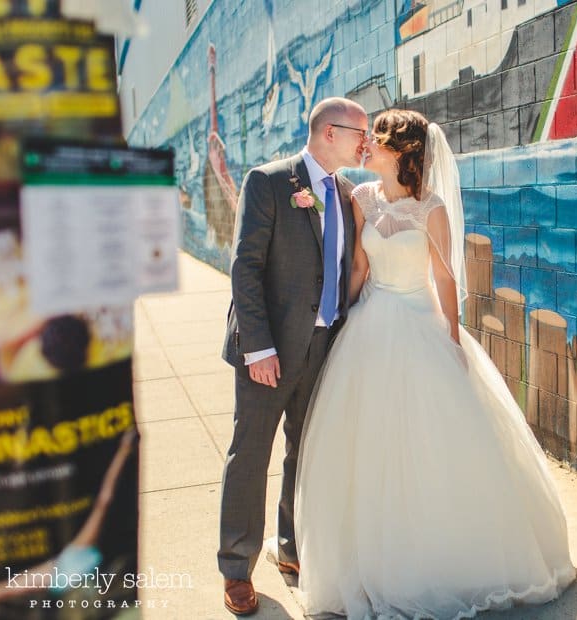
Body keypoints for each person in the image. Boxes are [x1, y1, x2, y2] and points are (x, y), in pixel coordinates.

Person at [294, 109, 577, 619]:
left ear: (402, 153)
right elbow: (358, 265)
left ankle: (438, 558)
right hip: (371, 326)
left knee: (431, 441)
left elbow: (445, 279)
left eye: (376, 139)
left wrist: (451, 338)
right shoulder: (361, 198)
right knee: (367, 444)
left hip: (420, 322)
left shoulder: (432, 208)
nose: (368, 146)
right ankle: (372, 558)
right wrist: (338, 318)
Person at [218, 97, 368, 615]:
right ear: (329, 132)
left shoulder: (347, 192)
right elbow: (246, 269)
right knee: (251, 455)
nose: (365, 142)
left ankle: (291, 548)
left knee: (304, 453)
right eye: (359, 133)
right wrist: (257, 346)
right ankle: (236, 568)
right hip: (271, 350)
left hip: (325, 347)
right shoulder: (269, 181)